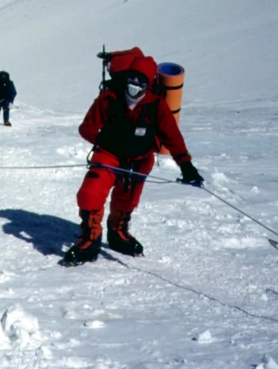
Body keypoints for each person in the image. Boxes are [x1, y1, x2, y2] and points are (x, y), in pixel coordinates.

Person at [63, 48, 203, 265]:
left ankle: (118, 233)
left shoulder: (157, 106)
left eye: (141, 81)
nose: (135, 85)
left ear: (149, 84)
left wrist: (186, 166)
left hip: (140, 159)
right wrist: (103, 139)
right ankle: (90, 239)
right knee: (90, 193)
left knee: (127, 199)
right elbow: (86, 127)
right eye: (132, 79)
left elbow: (172, 137)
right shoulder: (109, 98)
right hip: (108, 155)